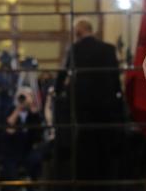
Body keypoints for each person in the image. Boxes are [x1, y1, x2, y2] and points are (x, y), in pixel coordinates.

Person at [56, 18, 124, 181]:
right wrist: (116, 98)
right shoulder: (108, 49)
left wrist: (57, 91)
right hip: (106, 105)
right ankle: (105, 178)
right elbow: (115, 78)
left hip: (83, 105)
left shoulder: (75, 49)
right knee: (104, 142)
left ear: (78, 32)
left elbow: (63, 73)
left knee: (86, 143)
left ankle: (87, 179)